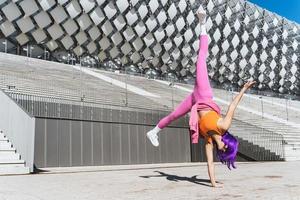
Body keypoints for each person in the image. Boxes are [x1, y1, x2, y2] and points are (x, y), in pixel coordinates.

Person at [146, 7, 255, 187]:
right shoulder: (223, 125)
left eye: (225, 152)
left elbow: (210, 164)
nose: (224, 150)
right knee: (201, 58)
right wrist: (244, 88)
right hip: (204, 95)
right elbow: (234, 105)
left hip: (195, 103)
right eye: (227, 148)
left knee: (174, 115)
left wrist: (213, 184)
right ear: (227, 143)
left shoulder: (209, 141)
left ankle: (154, 131)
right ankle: (203, 24)